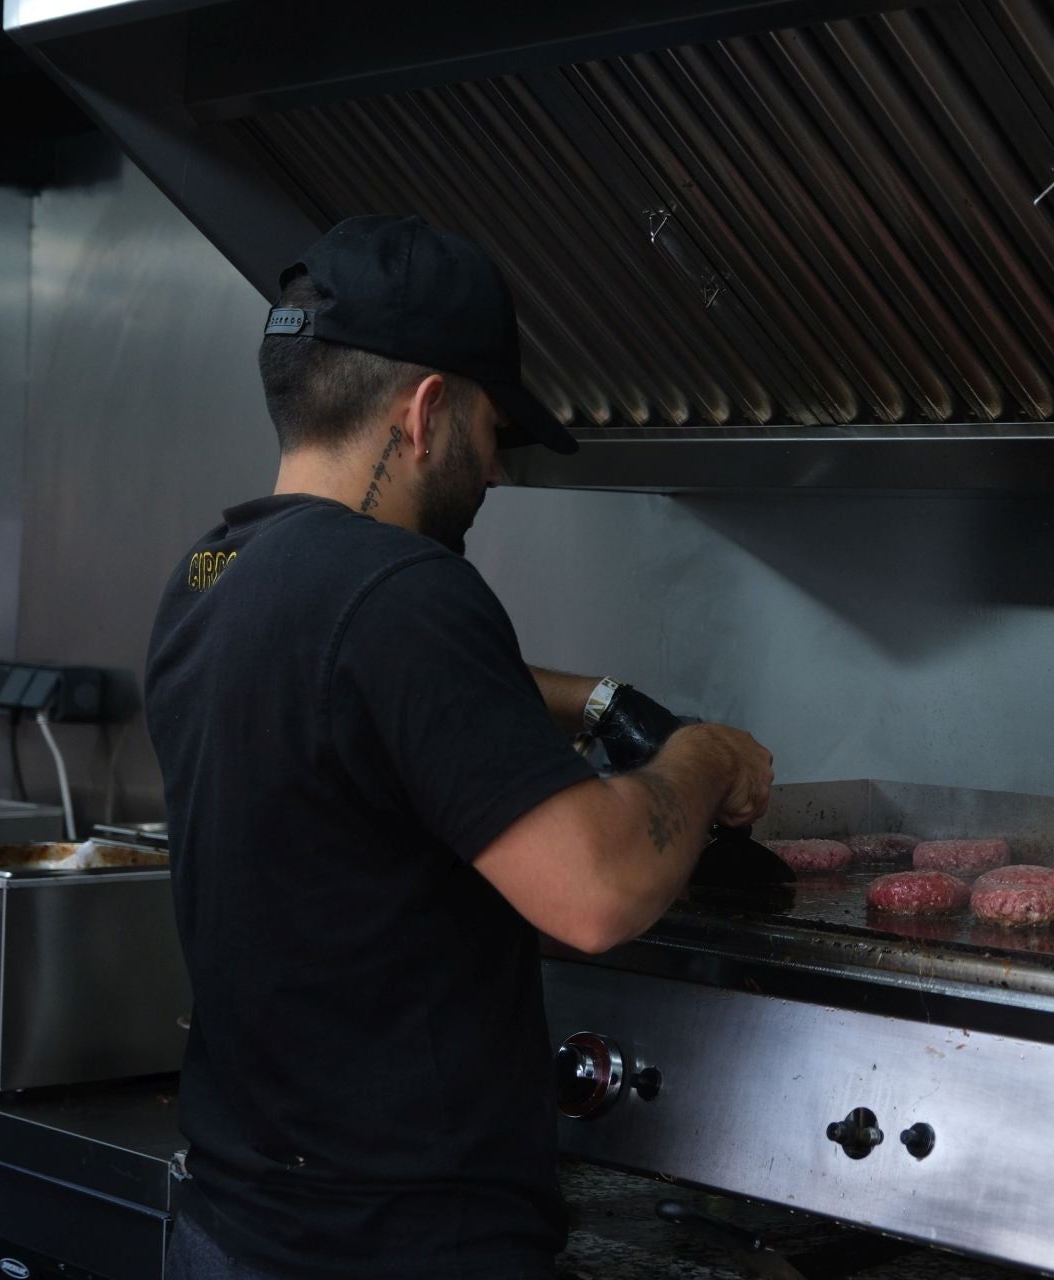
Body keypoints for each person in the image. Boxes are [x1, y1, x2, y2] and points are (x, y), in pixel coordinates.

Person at [144, 215, 773, 1280]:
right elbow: (596, 890)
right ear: (427, 409)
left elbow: (367, 682)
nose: (494, 465)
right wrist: (702, 758)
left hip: (233, 1222)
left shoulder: (214, 573)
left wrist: (593, 700)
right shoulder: (406, 592)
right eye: (493, 426)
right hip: (391, 1243)